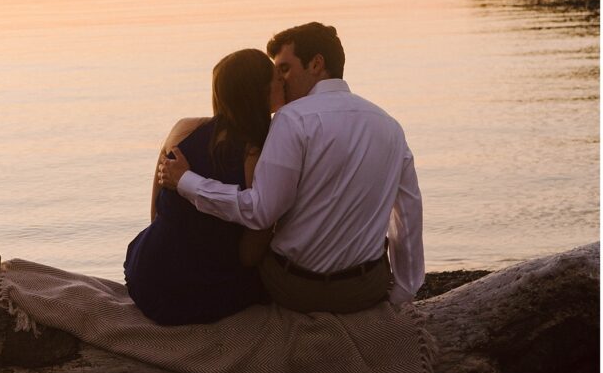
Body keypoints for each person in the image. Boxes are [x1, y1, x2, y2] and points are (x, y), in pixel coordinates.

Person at [158, 22, 424, 313]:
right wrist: (403, 291)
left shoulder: (292, 119)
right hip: (365, 290)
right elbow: (408, 213)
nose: (281, 81)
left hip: (295, 289)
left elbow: (260, 212)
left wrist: (187, 182)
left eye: (285, 69)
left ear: (316, 64)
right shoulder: (390, 126)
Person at [124, 48, 283, 325]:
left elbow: (156, 213)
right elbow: (249, 255)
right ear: (260, 91)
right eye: (276, 78)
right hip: (195, 292)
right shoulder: (256, 155)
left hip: (146, 275)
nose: (283, 81)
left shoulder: (183, 130)